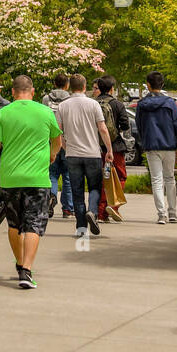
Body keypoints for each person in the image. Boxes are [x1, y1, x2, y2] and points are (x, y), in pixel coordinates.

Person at [0, 74, 61, 289]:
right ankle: (26, 270)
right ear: (33, 92)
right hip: (38, 179)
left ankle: (19, 263)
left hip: (9, 179)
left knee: (14, 224)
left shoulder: (3, 113)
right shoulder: (45, 112)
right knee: (34, 225)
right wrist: (52, 155)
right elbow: (57, 140)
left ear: (13, 93)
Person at [55, 73, 113, 238]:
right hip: (92, 153)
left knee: (77, 191)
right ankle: (93, 212)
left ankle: (81, 227)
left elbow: (58, 132)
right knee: (95, 187)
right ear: (85, 86)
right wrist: (109, 150)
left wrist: (65, 147)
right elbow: (102, 128)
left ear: (70, 86)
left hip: (73, 154)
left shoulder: (63, 106)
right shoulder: (93, 104)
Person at [135, 71, 177, 225]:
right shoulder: (170, 103)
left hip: (152, 145)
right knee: (170, 178)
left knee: (157, 180)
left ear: (148, 85)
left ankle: (161, 214)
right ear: (162, 84)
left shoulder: (142, 104)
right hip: (169, 145)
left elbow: (139, 126)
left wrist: (145, 141)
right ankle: (172, 213)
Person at [95, 75, 130, 223]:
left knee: (101, 179)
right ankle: (112, 205)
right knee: (120, 177)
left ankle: (100, 212)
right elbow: (125, 125)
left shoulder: (93, 103)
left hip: (96, 147)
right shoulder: (117, 104)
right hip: (115, 146)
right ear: (111, 89)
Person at [42, 72, 74, 218]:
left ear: (54, 84)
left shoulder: (46, 99)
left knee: (52, 174)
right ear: (67, 85)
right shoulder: (71, 100)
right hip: (67, 141)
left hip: (50, 141)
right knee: (68, 175)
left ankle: (51, 196)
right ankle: (68, 208)